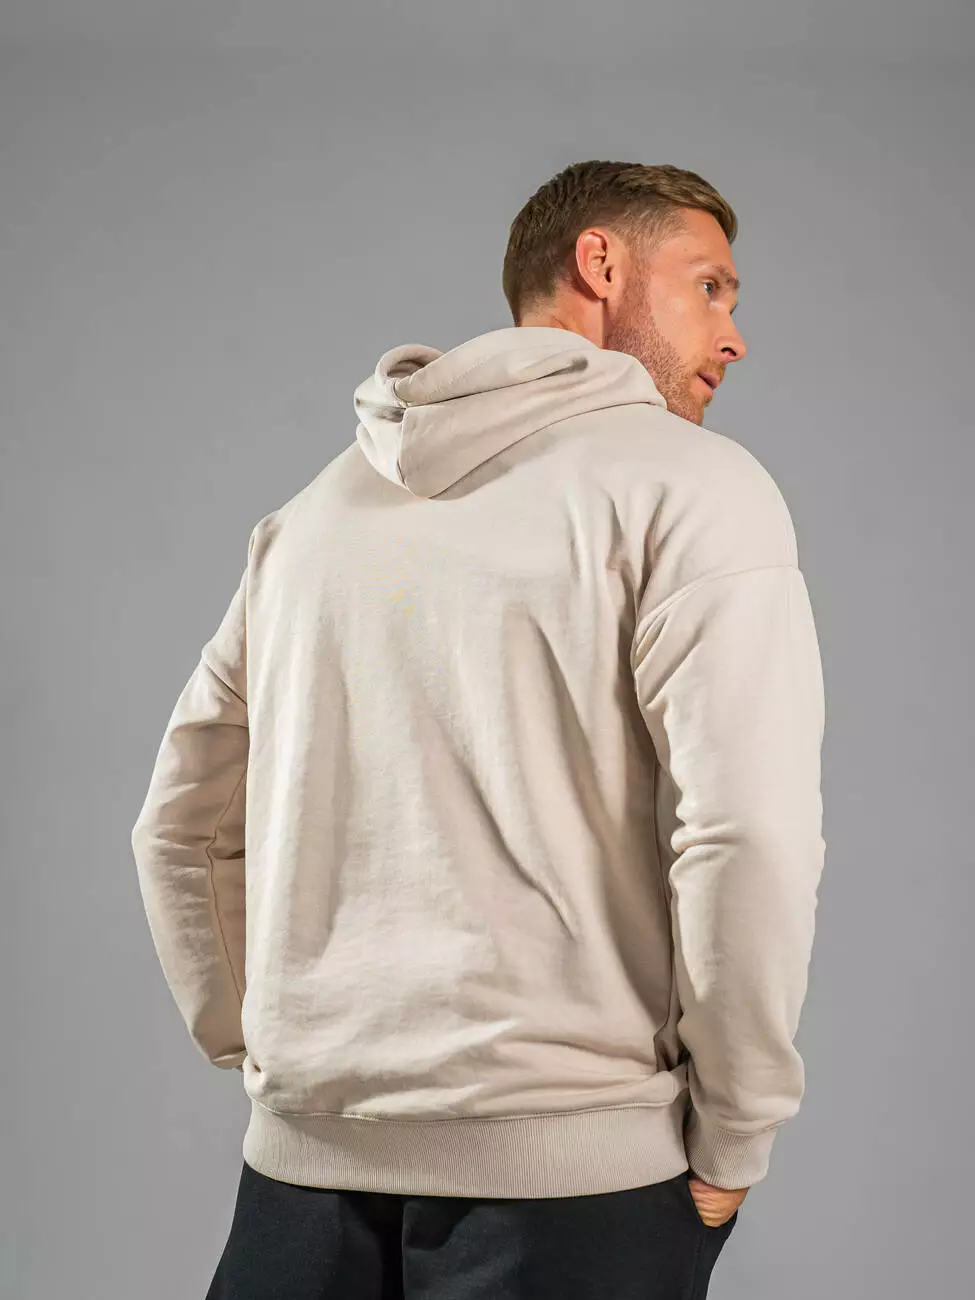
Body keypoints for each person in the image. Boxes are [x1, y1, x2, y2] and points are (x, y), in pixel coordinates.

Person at [131, 159, 826, 1299]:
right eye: (710, 287)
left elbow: (181, 828)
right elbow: (744, 833)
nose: (733, 335)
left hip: (300, 1183)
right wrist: (736, 1133)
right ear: (601, 263)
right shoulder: (694, 488)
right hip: (573, 1188)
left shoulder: (311, 516)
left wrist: (280, 1057)